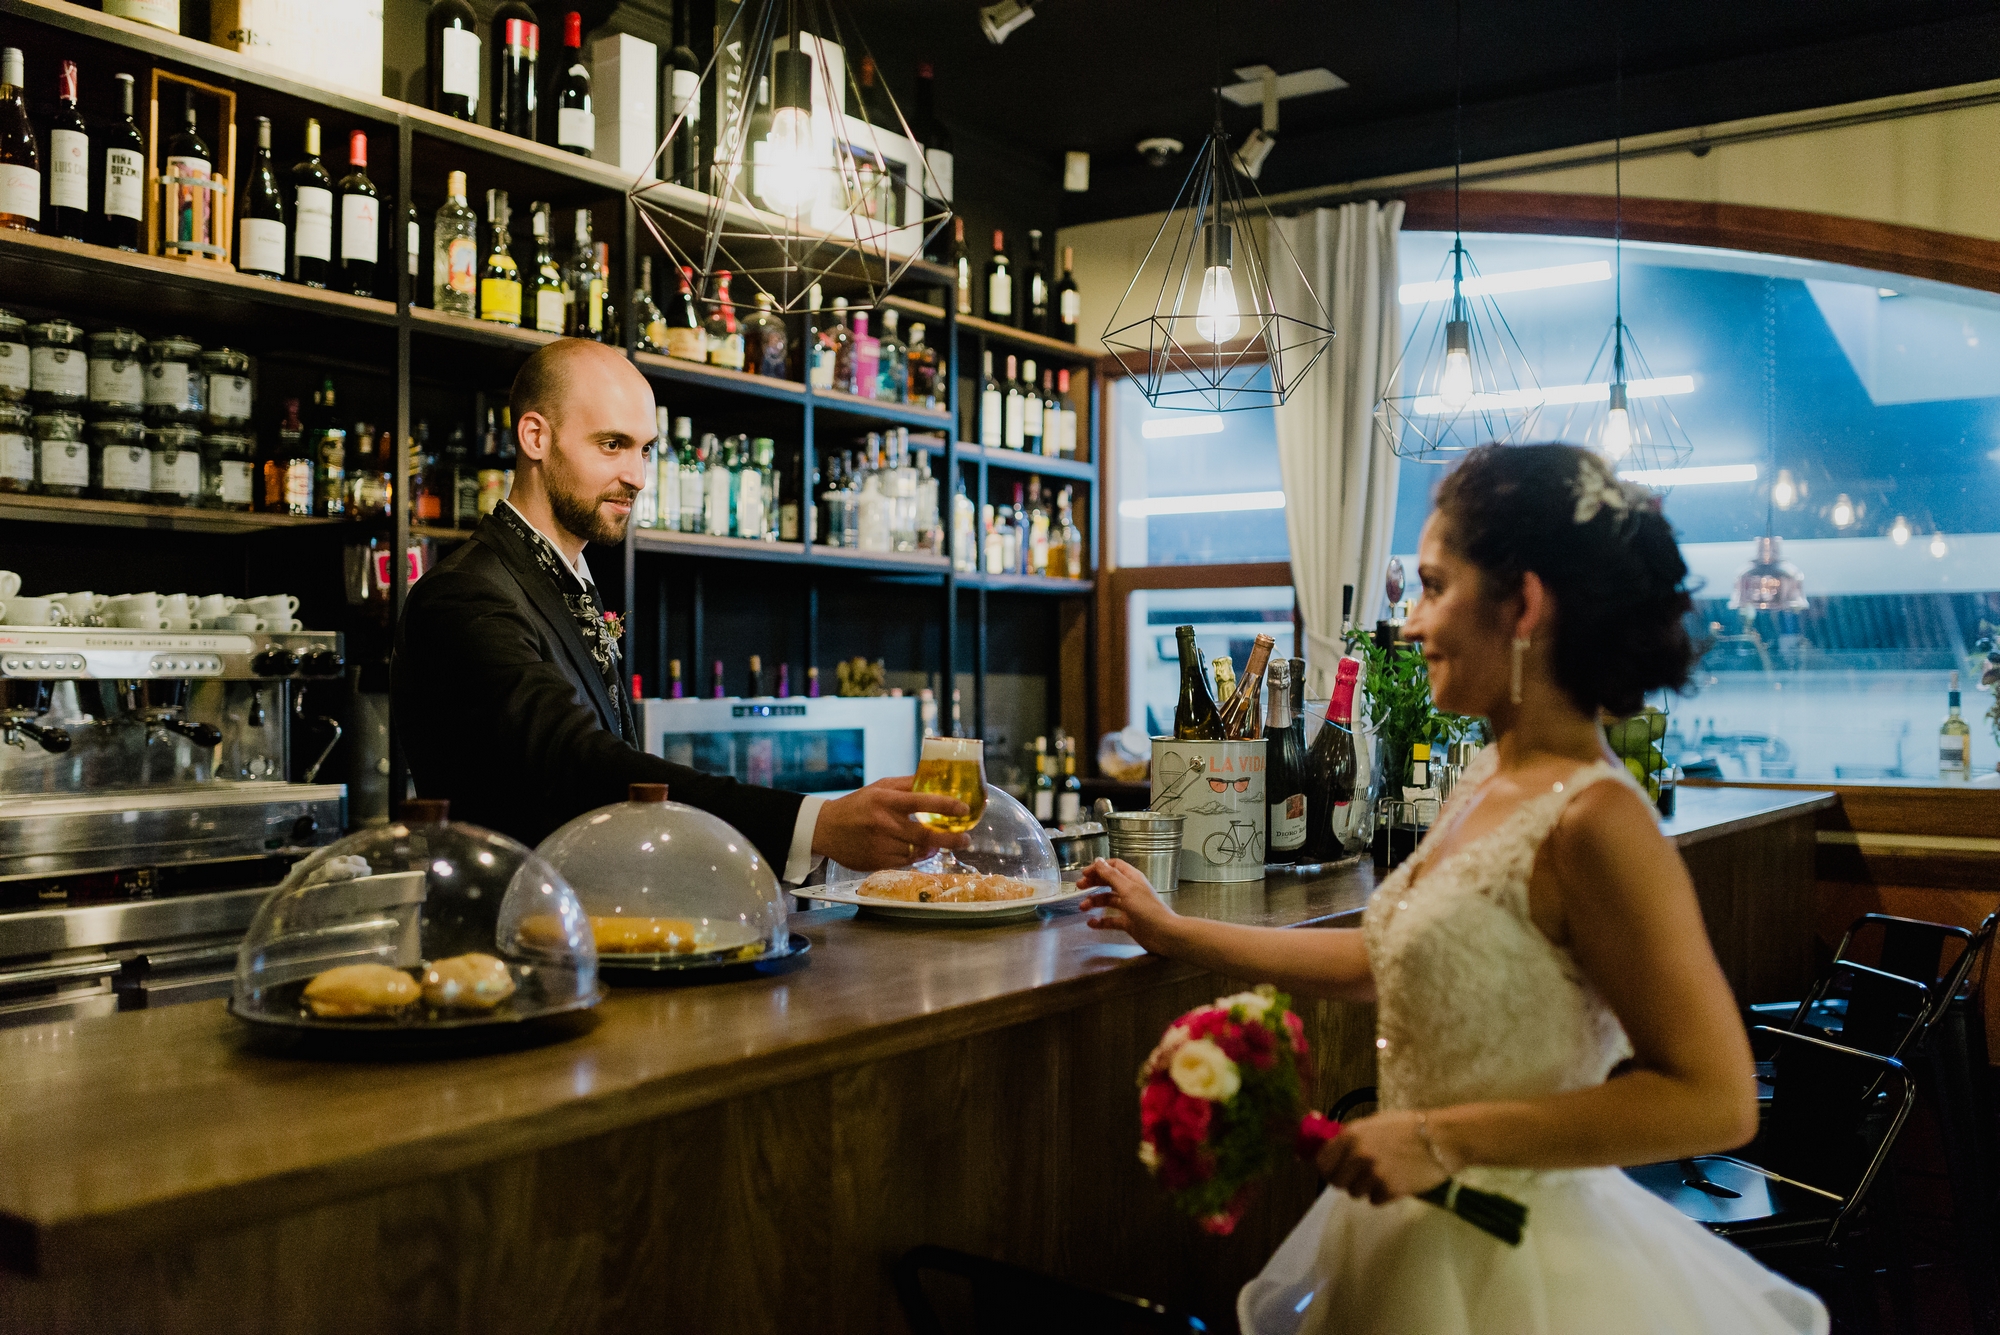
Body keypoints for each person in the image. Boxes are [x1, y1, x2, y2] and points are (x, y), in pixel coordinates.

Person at [1078, 444, 1828, 1334]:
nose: (1413, 622)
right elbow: (1389, 955)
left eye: (1434, 587)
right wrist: (1181, 933)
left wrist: (1440, 1140)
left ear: (1523, 606)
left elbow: (1715, 1096)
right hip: (1413, 1231)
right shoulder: (1484, 775)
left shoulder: (1594, 819)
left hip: (1522, 1267)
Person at [392, 338, 968, 877]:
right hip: (503, 953)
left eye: (645, 450)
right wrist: (814, 823)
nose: (637, 476)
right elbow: (575, 762)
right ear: (536, 438)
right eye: (612, 445)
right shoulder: (466, 595)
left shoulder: (563, 580)